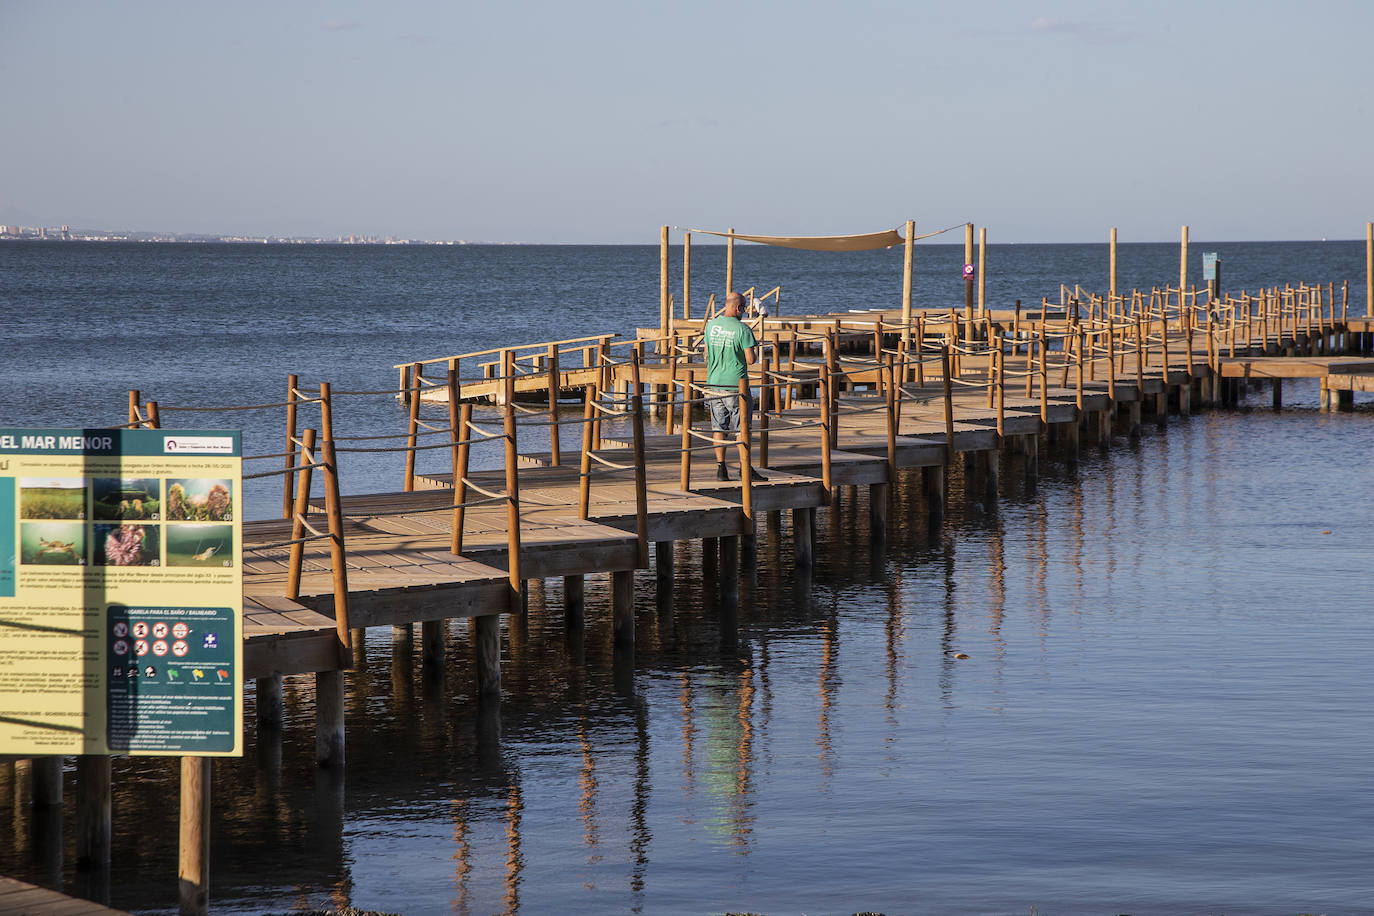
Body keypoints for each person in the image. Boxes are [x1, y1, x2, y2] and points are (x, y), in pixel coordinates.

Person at [704, 291, 765, 481]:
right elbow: (751, 359)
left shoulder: (711, 326)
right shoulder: (743, 329)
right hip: (736, 385)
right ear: (737, 308)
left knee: (719, 427)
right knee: (742, 428)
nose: (746, 311)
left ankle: (721, 469)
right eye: (744, 307)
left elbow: (707, 353)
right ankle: (744, 468)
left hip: (714, 383)